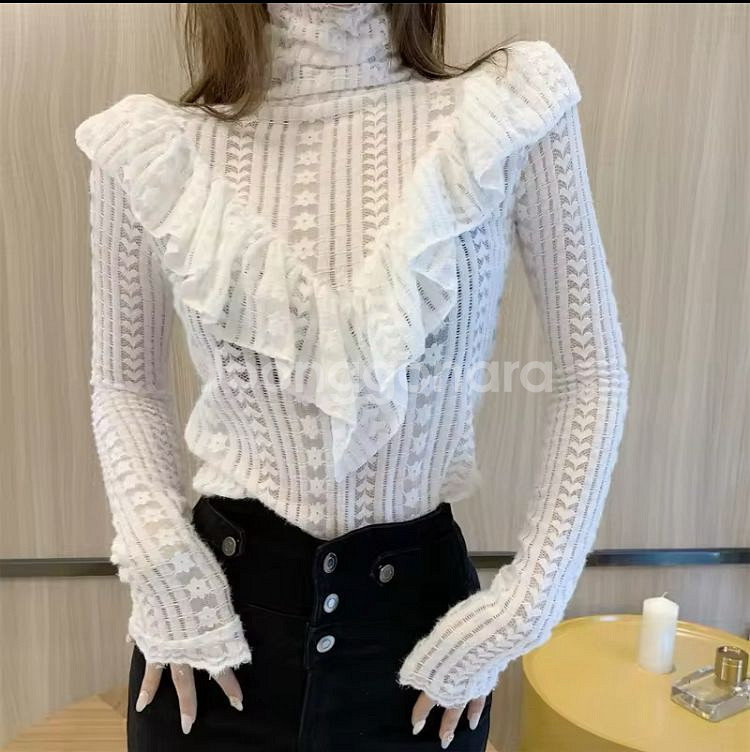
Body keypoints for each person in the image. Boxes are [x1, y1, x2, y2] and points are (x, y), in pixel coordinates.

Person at [74, 3, 629, 750]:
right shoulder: (155, 149)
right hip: (215, 631)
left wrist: (524, 608)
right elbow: (125, 384)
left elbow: (593, 374)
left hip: (421, 645)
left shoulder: (508, 112)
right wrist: (163, 566)